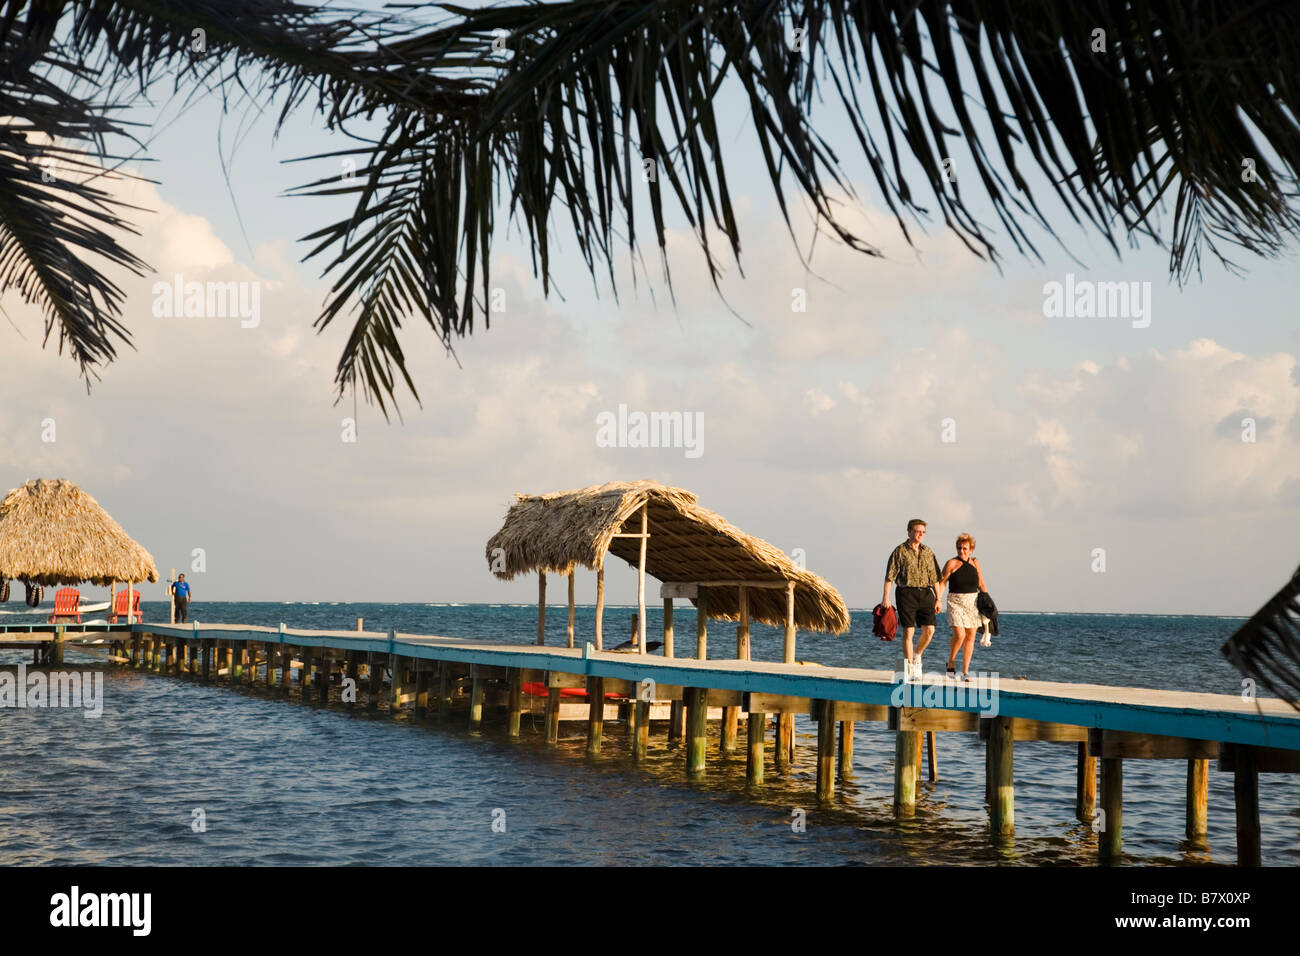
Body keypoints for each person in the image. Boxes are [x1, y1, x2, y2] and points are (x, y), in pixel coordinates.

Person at [882, 518, 942, 681]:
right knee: (909, 630)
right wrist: (886, 598)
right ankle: (909, 669)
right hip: (906, 593)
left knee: (930, 630)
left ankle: (917, 657)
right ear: (909, 532)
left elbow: (935, 577)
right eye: (917, 531)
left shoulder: (928, 552)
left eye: (923, 532)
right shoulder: (899, 551)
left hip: (926, 593)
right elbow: (890, 576)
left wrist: (939, 598)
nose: (920, 534)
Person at [938, 534, 987, 681]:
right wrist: (938, 599)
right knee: (960, 635)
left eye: (965, 548)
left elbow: (981, 583)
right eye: (959, 548)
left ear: (971, 549)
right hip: (955, 601)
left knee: (971, 636)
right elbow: (941, 583)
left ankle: (965, 672)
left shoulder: (975, 562)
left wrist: (988, 601)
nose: (962, 551)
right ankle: (951, 662)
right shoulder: (951, 563)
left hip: (972, 602)